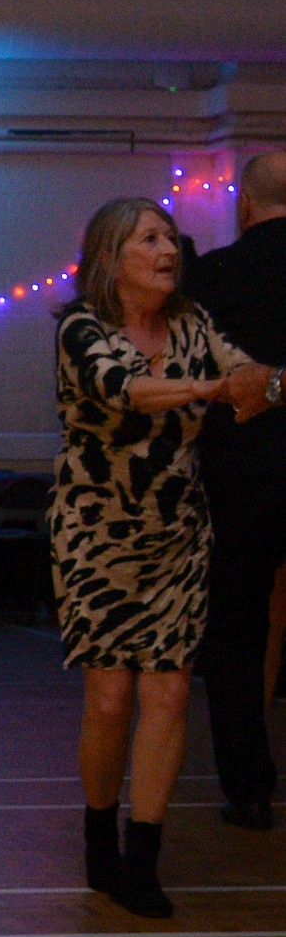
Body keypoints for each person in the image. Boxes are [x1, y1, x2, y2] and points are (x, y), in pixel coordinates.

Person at [53, 199, 274, 918]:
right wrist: (216, 389)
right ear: (111, 258)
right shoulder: (81, 329)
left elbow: (248, 377)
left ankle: (142, 858)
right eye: (149, 239)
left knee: (170, 695)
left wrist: (270, 385)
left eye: (170, 236)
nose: (168, 249)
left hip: (178, 533)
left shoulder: (193, 324)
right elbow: (127, 390)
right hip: (97, 536)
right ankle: (99, 835)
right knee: (110, 701)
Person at [186, 153, 286, 830]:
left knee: (236, 631)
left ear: (243, 205)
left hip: (241, 477)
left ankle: (249, 789)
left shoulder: (215, 275)